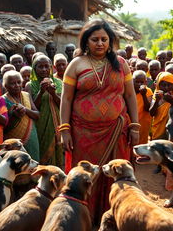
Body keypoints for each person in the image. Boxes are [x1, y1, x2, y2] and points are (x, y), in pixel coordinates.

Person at [60, 19, 139, 225]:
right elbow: (66, 99)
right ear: (86, 41)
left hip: (116, 130)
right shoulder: (76, 64)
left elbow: (130, 96)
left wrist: (135, 126)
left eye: (104, 39)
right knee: (86, 175)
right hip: (83, 133)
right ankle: (83, 218)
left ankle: (114, 217)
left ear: (110, 41)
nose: (100, 43)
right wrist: (64, 130)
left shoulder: (121, 64)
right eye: (95, 39)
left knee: (116, 174)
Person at [25, 54, 63, 166]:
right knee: (41, 153)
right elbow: (33, 108)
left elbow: (62, 105)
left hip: (55, 123)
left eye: (47, 66)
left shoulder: (58, 83)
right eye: (40, 67)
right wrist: (41, 92)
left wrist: (53, 94)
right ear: (34, 68)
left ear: (51, 67)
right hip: (39, 125)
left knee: (57, 154)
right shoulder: (30, 85)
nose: (44, 70)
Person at [2, 70, 40, 161]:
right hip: (13, 141)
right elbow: (4, 127)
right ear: (6, 86)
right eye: (13, 83)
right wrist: (13, 115)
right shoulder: (3, 100)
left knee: (33, 164)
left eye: (19, 82)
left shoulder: (26, 95)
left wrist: (25, 109)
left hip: (31, 137)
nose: (17, 85)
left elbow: (37, 115)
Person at [150, 72, 173, 139]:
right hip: (157, 132)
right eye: (163, 85)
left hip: (171, 132)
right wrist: (157, 100)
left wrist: (171, 101)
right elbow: (151, 113)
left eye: (169, 85)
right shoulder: (156, 96)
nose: (166, 88)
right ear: (158, 85)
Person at [133, 70, 153, 143]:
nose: (139, 84)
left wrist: (144, 95)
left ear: (146, 82)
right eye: (137, 82)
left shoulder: (148, 91)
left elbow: (148, 109)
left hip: (143, 125)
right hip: (131, 123)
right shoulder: (129, 91)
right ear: (132, 81)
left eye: (142, 82)